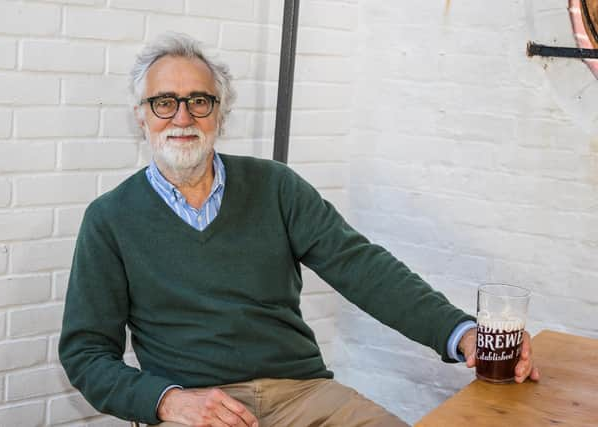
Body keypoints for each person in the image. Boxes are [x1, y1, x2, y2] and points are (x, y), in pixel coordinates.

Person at [59, 32, 539, 427]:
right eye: (165, 102)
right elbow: (85, 353)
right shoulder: (110, 219)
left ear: (220, 115)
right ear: (141, 115)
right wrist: (167, 401)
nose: (182, 117)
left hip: (304, 394)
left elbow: (363, 268)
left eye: (199, 101)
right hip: (201, 407)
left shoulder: (276, 187)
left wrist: (463, 334)